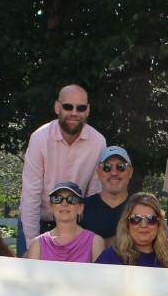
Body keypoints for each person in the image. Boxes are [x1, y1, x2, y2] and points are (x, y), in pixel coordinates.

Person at [17, 84, 106, 254]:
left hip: (75, 224)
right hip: (37, 220)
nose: (74, 112)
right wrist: (31, 246)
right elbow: (30, 194)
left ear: (87, 111)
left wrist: (85, 237)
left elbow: (93, 195)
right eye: (67, 106)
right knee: (30, 278)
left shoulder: (98, 142)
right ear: (57, 107)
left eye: (80, 108)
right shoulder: (39, 138)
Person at [24, 180, 105, 263]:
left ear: (81, 208)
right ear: (51, 207)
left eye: (72, 199)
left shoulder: (95, 242)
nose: (64, 203)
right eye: (57, 199)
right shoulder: (37, 244)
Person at [95, 192, 168, 268]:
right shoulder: (109, 259)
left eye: (151, 219)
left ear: (159, 224)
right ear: (127, 223)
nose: (144, 225)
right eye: (136, 219)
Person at [80, 146, 135, 239]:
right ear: (98, 172)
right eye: (107, 167)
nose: (114, 173)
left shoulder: (141, 209)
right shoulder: (82, 208)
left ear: (130, 171)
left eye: (121, 167)